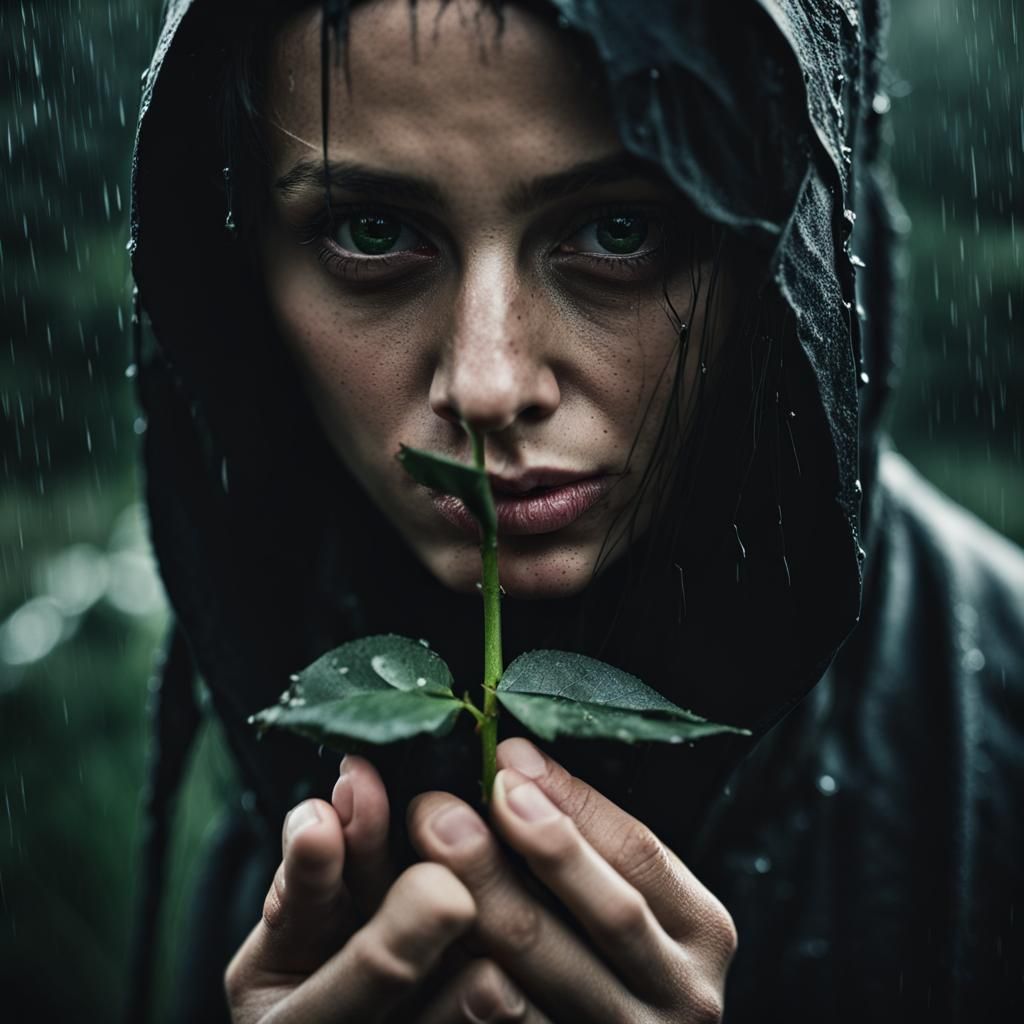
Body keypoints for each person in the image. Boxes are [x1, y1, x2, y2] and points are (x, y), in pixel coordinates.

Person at [127, 1, 1024, 1021]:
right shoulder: (284, 735)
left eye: (619, 230)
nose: (487, 382)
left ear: (789, 252)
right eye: (372, 233)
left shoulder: (997, 752)